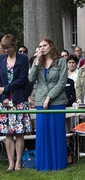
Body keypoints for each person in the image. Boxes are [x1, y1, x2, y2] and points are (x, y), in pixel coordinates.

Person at [28, 38, 68, 171]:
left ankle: (58, 164)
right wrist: (36, 62)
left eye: (44, 45)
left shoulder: (61, 61)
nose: (42, 48)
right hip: (40, 101)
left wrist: (49, 97)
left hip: (57, 101)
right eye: (40, 46)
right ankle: (44, 164)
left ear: (51, 46)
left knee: (56, 133)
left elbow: (62, 82)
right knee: (43, 134)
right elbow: (31, 79)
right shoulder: (38, 62)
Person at [0, 34, 32, 170]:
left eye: (8, 48)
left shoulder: (23, 59)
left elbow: (22, 79)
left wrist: (5, 88)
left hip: (19, 99)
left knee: (19, 132)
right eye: (4, 48)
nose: (6, 50)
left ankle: (18, 162)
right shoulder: (1, 59)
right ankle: (10, 163)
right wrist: (3, 97)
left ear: (14, 45)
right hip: (5, 100)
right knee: (8, 133)